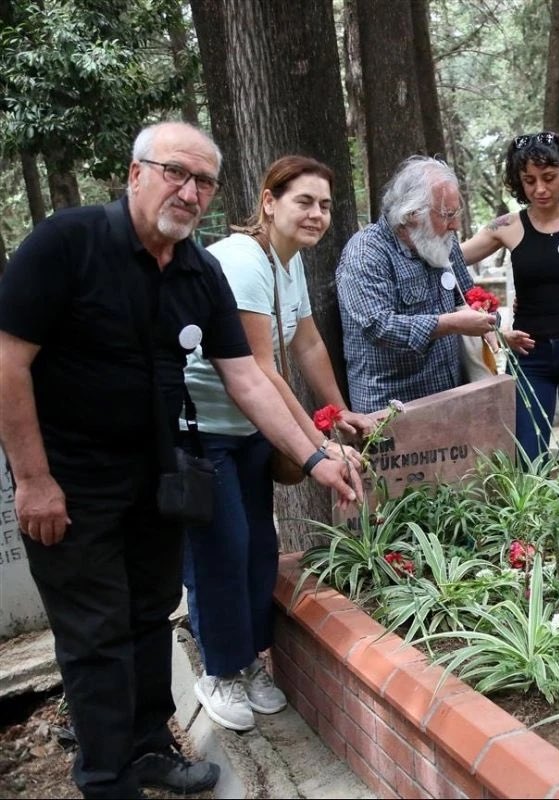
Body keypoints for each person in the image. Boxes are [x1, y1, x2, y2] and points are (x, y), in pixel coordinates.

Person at [0, 122, 360, 799]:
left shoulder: (199, 270)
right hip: (69, 484)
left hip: (156, 477)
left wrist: (314, 458)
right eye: (175, 173)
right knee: (97, 632)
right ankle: (108, 780)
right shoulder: (66, 244)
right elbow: (7, 361)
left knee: (148, 617)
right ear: (135, 174)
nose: (189, 191)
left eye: (202, 182)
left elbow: (249, 377)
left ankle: (146, 750)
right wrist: (34, 479)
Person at [182, 156, 375, 732]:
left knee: (257, 547)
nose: (317, 214)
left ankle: (248, 664)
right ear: (268, 202)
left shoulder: (287, 264)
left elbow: (309, 343)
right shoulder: (243, 261)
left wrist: (340, 412)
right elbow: (262, 372)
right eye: (303, 202)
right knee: (221, 548)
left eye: (325, 205)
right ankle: (219, 670)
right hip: (200, 430)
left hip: (247, 431)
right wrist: (316, 447)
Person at [460, 131, 559, 485]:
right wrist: (494, 328)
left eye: (549, 178)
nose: (540, 189)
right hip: (529, 356)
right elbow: (449, 262)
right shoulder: (507, 227)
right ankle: (533, 538)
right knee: (528, 456)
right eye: (529, 181)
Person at [337, 156, 521, 411]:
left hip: (452, 396)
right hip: (392, 410)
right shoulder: (367, 251)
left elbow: (467, 298)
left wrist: (489, 324)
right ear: (412, 213)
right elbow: (378, 326)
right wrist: (450, 324)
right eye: (447, 215)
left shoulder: (445, 243)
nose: (456, 225)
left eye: (457, 213)